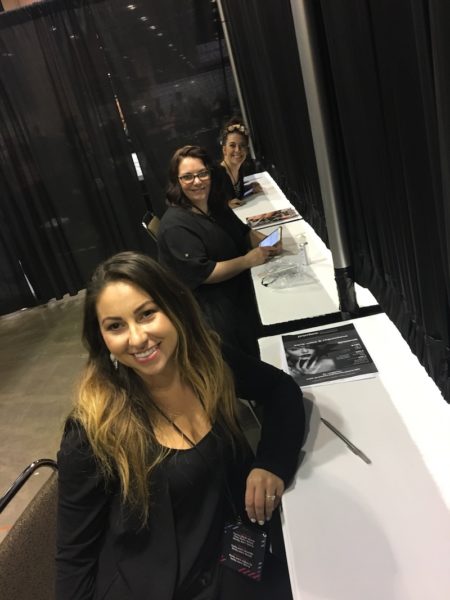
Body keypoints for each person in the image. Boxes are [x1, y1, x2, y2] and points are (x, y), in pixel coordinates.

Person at [55, 251, 305, 600]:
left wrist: (271, 463)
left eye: (146, 314)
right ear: (101, 339)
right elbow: (74, 557)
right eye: (116, 326)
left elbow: (281, 390)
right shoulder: (93, 432)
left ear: (174, 308)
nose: (138, 338)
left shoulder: (207, 364)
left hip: (234, 564)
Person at [157, 145, 281, 359]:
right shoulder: (175, 226)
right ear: (177, 181)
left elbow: (242, 232)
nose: (197, 182)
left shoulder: (214, 206)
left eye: (202, 173)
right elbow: (204, 273)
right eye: (187, 177)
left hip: (238, 291)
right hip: (212, 312)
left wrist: (263, 240)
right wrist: (247, 261)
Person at [218, 118, 263, 208]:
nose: (238, 150)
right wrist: (225, 206)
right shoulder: (217, 175)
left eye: (242, 145)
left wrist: (250, 188)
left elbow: (235, 194)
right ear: (224, 149)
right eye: (232, 145)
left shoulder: (239, 169)